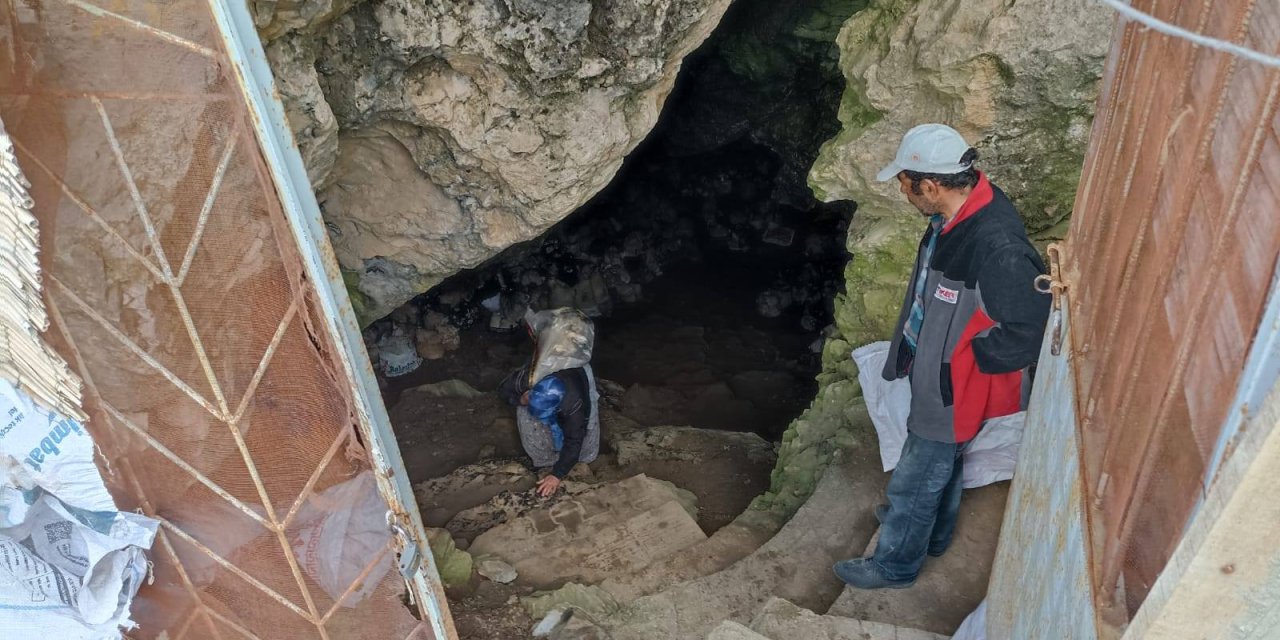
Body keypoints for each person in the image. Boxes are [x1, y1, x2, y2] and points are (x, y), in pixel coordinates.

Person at [834, 124, 1049, 590]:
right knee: (943, 461)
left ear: (930, 186)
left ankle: (895, 564)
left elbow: (1030, 329)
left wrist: (965, 363)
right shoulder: (956, 217)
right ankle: (934, 535)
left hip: (953, 383)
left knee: (917, 474)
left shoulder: (998, 249)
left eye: (905, 184)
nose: (902, 191)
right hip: (937, 368)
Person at [498, 308, 601, 497]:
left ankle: (583, 458)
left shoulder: (575, 402)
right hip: (545, 368)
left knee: (584, 435)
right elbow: (503, 391)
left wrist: (557, 475)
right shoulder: (529, 377)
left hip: (574, 377)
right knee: (526, 414)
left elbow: (574, 438)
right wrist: (520, 399)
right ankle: (544, 458)